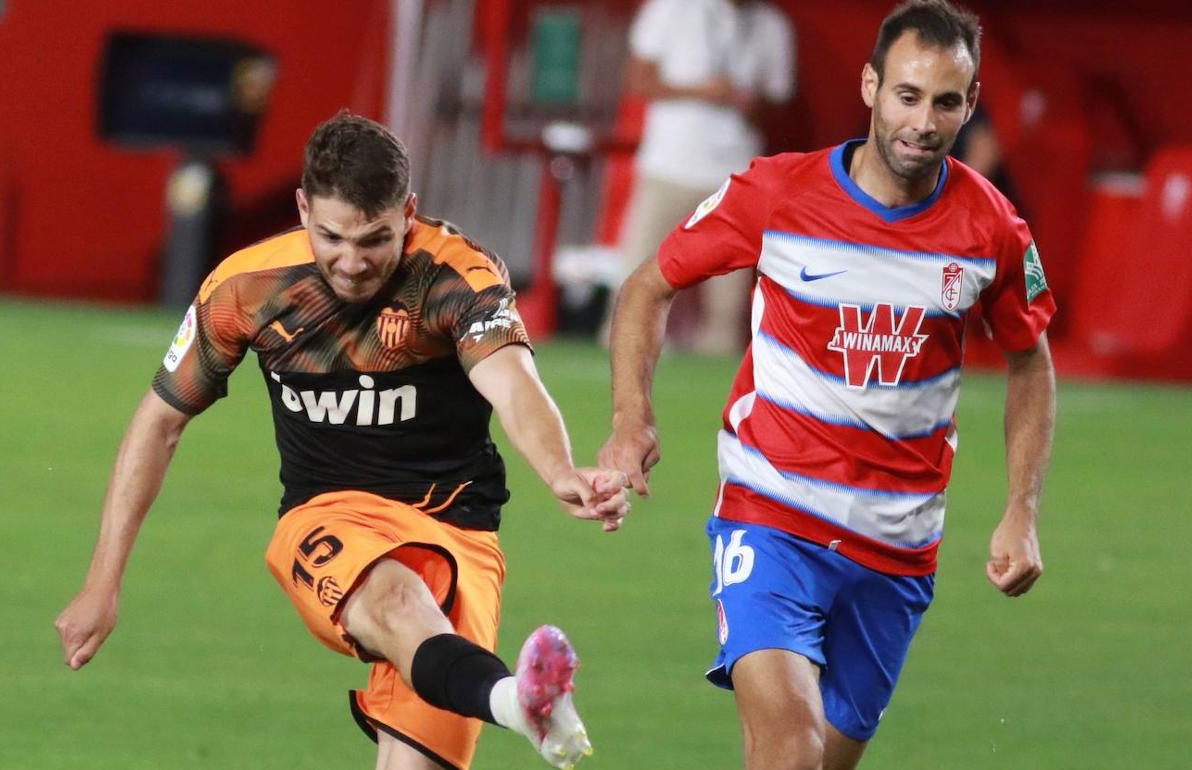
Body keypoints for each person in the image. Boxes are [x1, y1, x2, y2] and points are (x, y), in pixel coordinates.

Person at [55, 111, 628, 770]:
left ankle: (511, 698)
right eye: (331, 237)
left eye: (374, 240)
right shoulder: (246, 288)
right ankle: (513, 699)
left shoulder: (455, 277)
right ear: (302, 208)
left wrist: (560, 471)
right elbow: (160, 422)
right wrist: (103, 581)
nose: (352, 262)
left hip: (458, 530)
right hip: (328, 516)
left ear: (408, 212)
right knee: (393, 596)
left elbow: (512, 382)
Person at [599, 2, 1056, 769]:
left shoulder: (993, 229)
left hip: (897, 549)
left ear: (970, 105)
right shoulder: (779, 195)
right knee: (791, 752)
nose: (923, 121)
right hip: (772, 515)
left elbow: (1030, 361)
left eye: (947, 102)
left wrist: (1021, 509)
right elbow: (647, 287)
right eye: (907, 95)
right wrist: (630, 420)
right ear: (872, 86)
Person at [603, 0, 797, 354]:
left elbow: (780, 102)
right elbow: (638, 79)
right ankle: (617, 349)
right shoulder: (672, 8)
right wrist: (701, 92)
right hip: (669, 163)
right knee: (636, 272)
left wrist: (750, 103)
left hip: (736, 173)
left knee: (727, 299)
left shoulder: (772, 24)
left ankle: (717, 365)